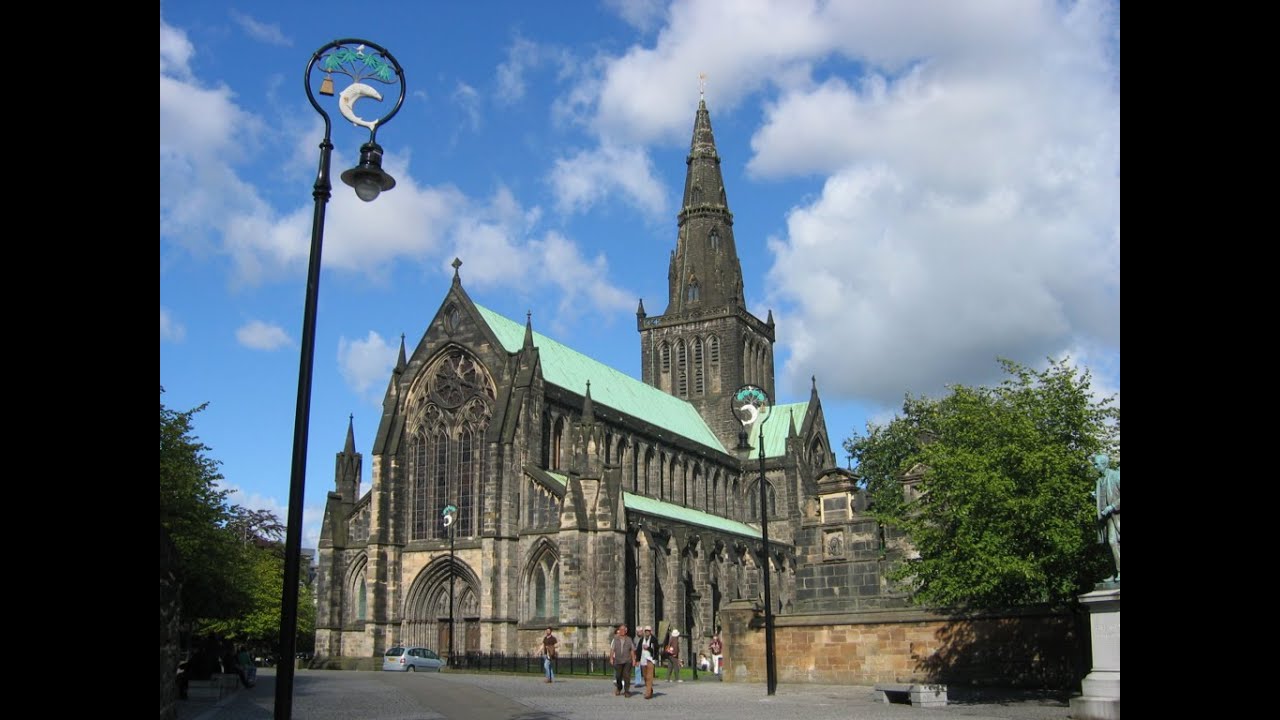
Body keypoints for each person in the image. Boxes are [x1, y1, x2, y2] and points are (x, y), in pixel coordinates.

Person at [1093, 453, 1120, 582]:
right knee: (1108, 546)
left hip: (1116, 516)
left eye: (1096, 464)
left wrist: (1113, 506)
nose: (1094, 466)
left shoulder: (1115, 475)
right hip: (1104, 518)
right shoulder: (1099, 480)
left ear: (1104, 464)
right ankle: (1114, 573)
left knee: (1113, 542)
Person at [609, 623, 637, 697]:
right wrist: (611, 658)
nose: (622, 631)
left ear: (626, 631)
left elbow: (632, 650)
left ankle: (627, 691)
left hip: (627, 660)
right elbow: (612, 649)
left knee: (626, 676)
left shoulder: (629, 639)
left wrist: (633, 659)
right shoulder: (615, 639)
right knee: (618, 676)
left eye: (623, 630)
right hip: (618, 660)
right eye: (620, 630)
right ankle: (619, 687)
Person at [636, 625, 659, 699]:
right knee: (645, 677)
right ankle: (650, 689)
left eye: (648, 631)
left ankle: (648, 693)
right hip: (643, 660)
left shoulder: (654, 639)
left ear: (650, 632)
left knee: (649, 677)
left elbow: (655, 650)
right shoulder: (642, 639)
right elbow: (638, 650)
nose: (647, 633)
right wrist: (637, 660)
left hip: (650, 660)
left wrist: (648, 648)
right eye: (646, 631)